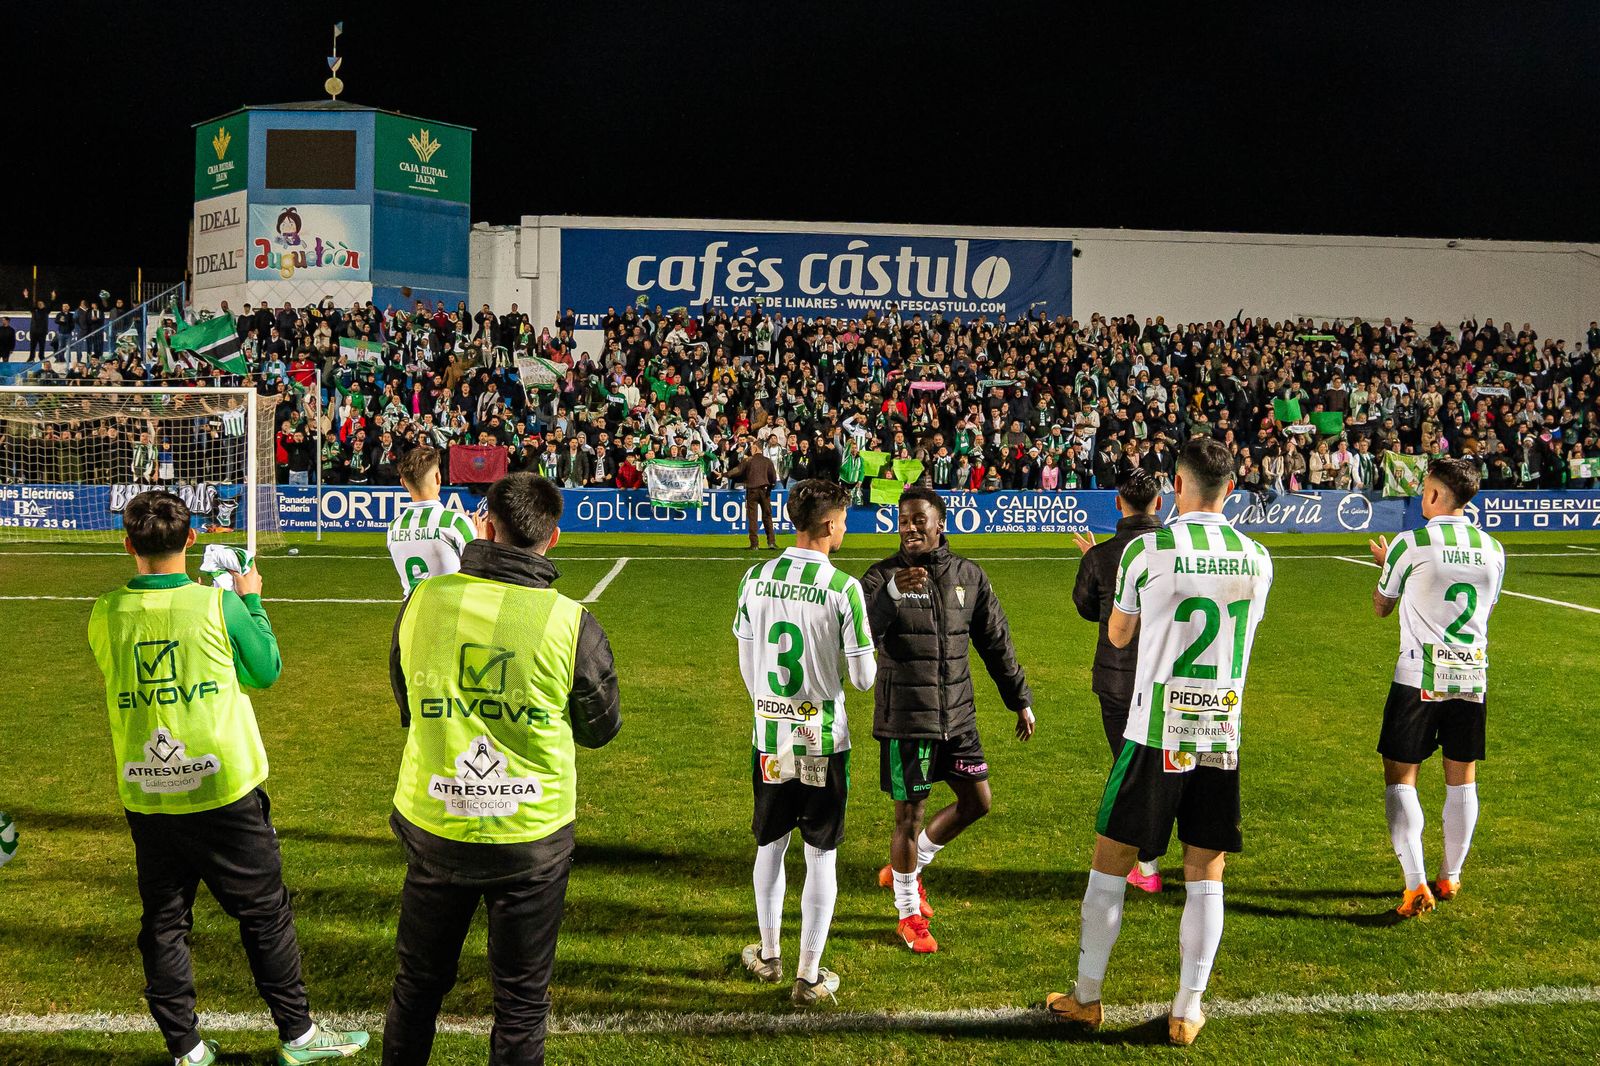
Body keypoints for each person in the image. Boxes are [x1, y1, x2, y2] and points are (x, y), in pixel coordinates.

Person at [86, 490, 368, 1066]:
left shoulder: (105, 611)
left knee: (164, 920)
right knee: (264, 913)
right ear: (192, 540)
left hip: (148, 786)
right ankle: (298, 1036)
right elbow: (265, 670)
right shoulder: (218, 606)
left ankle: (186, 1048)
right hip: (220, 785)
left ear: (128, 545)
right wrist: (252, 601)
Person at [383, 473, 621, 1066]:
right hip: (530, 837)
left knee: (417, 988)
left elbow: (407, 700)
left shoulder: (422, 601)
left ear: (485, 524)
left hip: (437, 822)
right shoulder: (571, 623)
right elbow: (600, 728)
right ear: (554, 539)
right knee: (520, 1004)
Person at [1046, 437, 1274, 1047]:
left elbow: (1118, 634)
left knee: (1109, 865)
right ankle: (1187, 1011)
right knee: (1206, 872)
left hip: (1154, 731)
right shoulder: (1257, 558)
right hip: (1220, 731)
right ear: (1231, 489)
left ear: (1178, 484)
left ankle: (1088, 997)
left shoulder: (1148, 551)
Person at [861, 485, 1034, 954]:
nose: (910, 527)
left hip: (957, 717)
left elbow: (994, 640)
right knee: (906, 818)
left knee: (978, 802)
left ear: (940, 524)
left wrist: (1019, 697)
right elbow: (861, 632)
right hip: (907, 719)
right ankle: (907, 913)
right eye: (903, 520)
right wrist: (893, 593)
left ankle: (914, 867)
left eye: (919, 519)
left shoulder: (968, 576)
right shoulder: (882, 576)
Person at [733, 479, 876, 1005]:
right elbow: (862, 679)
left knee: (770, 845)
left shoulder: (755, 578)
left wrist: (772, 708)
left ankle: (768, 956)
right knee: (821, 856)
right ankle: (807, 976)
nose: (846, 527)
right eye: (843, 519)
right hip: (821, 742)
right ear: (827, 526)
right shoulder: (843, 589)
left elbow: (749, 666)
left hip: (770, 738)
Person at [1368, 456, 1504, 916]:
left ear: (1434, 495)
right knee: (1461, 778)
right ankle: (1451, 877)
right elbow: (1482, 607)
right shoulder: (1494, 549)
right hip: (1473, 673)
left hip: (1418, 677)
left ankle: (1414, 884)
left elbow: (1382, 607)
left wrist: (1390, 568)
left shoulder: (1412, 542)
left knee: (1401, 776)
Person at [1072, 468, 1167, 892]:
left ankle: (1146, 864)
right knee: (1173, 766)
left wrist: (1091, 562)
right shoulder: (1176, 551)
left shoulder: (1102, 556)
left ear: (1117, 503)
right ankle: (1186, 859)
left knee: (1128, 767)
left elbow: (1088, 609)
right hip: (1169, 677)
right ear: (1160, 503)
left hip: (1117, 680)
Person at [386, 445, 474, 595]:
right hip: (448, 614)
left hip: (410, 614)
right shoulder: (455, 523)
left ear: (403, 483)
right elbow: (482, 575)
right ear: (438, 477)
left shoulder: (394, 527)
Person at [728, 437, 779, 550]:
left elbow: (737, 470)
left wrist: (724, 475)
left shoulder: (749, 460)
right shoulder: (767, 461)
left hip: (752, 491)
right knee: (767, 517)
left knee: (752, 518)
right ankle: (771, 542)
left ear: (756, 448)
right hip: (765, 491)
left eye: (751, 448)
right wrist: (769, 489)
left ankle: (754, 544)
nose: (750, 450)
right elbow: (773, 478)